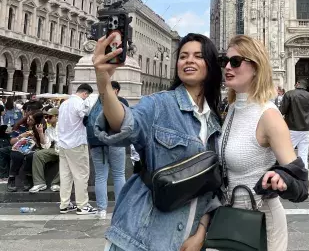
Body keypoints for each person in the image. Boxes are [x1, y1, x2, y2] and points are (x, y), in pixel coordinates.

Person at [93, 32, 222, 251]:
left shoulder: (215, 122)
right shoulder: (159, 104)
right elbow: (123, 124)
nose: (189, 60)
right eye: (183, 56)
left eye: (198, 56)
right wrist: (103, 81)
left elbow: (212, 189)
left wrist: (200, 234)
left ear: (210, 64)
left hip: (187, 240)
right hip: (141, 236)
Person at [221, 35, 309, 251]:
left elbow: (302, 185)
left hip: (260, 221)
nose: (227, 67)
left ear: (256, 67)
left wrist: (282, 178)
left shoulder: (269, 115)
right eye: (225, 60)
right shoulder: (232, 108)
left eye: (235, 61)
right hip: (231, 215)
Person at [86, 81, 128, 219]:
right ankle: (120, 207)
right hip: (116, 141)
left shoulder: (93, 102)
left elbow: (85, 122)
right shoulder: (121, 102)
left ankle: (101, 210)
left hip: (97, 143)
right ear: (116, 91)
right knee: (119, 175)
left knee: (100, 176)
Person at [57, 84, 97, 215]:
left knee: (65, 175)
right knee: (81, 175)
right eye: (87, 96)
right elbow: (85, 116)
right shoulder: (80, 103)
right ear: (85, 94)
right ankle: (82, 205)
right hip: (77, 143)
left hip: (63, 144)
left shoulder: (64, 104)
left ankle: (64, 204)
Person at [7, 111, 49, 192]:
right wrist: (20, 137)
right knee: (17, 156)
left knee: (32, 156)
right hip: (19, 148)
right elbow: (11, 141)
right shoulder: (21, 126)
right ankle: (11, 178)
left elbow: (43, 144)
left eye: (31, 120)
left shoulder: (38, 127)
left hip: (32, 149)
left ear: (36, 121)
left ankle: (28, 178)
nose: (28, 121)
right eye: (28, 118)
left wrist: (38, 135)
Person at [280, 79, 309, 168]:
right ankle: (303, 175)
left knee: (287, 153)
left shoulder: (289, 94)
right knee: (303, 154)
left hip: (293, 128)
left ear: (298, 84)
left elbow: (282, 110)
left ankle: (287, 174)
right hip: (307, 129)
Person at [29, 107, 60, 193]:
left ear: (57, 117)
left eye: (50, 117)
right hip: (55, 149)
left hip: (66, 149)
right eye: (46, 117)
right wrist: (40, 133)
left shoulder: (64, 126)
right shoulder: (49, 130)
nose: (47, 119)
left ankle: (57, 183)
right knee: (38, 154)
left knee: (68, 158)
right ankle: (39, 183)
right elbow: (46, 146)